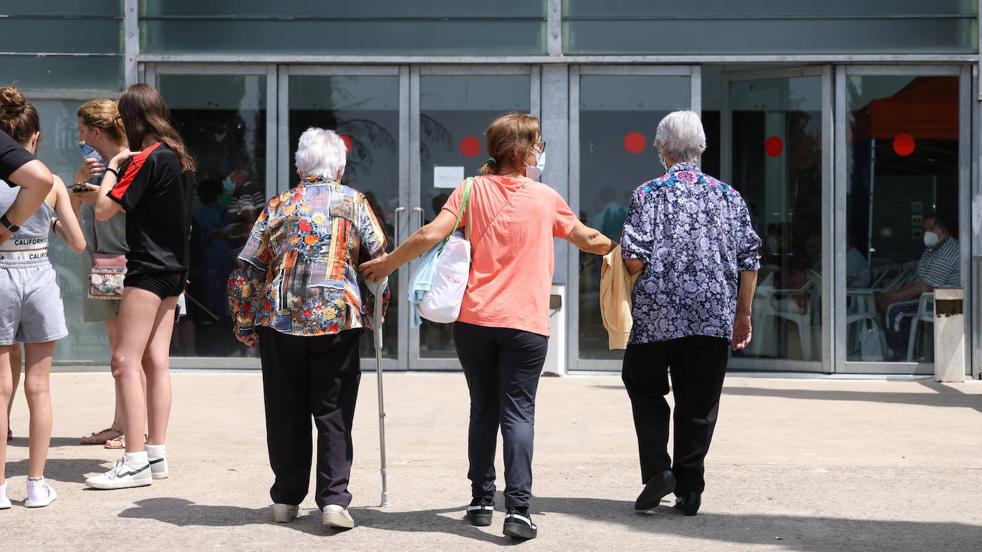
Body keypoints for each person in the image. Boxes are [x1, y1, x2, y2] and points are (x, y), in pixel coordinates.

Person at [361, 113, 612, 540]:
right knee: (518, 413)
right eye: (536, 146)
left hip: (475, 322)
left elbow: (428, 234)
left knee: (483, 409)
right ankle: (517, 510)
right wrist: (622, 250)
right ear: (519, 152)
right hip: (525, 324)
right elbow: (588, 239)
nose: (539, 154)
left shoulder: (469, 190)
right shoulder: (545, 197)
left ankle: (480, 501)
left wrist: (386, 264)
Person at [227, 128, 389, 530]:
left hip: (280, 319)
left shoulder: (279, 205)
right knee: (333, 410)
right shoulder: (355, 203)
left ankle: (285, 498)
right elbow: (379, 264)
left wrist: (244, 320)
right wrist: (375, 311)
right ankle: (334, 500)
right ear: (340, 166)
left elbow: (247, 267)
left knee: (285, 410)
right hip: (336, 318)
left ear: (300, 166)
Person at [620, 111, 760, 516]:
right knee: (698, 404)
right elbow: (749, 259)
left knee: (644, 388)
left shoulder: (647, 194)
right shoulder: (728, 196)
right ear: (701, 147)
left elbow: (633, 259)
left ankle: (658, 472)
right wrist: (743, 314)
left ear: (662, 148)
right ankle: (690, 489)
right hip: (711, 318)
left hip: (654, 318)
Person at [84, 84, 195, 490]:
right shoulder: (180, 158)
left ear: (131, 118)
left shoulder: (143, 159)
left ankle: (133, 460)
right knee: (156, 361)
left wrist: (114, 162)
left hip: (147, 270)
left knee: (124, 361)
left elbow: (102, 209)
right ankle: (155, 454)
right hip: (174, 272)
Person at [0, 87, 87, 509]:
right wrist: (51, 221)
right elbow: (78, 244)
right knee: (40, 387)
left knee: (0, 390)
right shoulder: (50, 182)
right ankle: (35, 484)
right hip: (37, 275)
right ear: (35, 136)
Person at [71, 98, 145, 449]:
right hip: (103, 264)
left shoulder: (132, 162)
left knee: (131, 352)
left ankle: (135, 429)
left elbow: (109, 208)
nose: (80, 137)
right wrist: (77, 183)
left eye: (83, 130)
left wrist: (93, 191)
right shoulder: (97, 166)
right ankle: (121, 424)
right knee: (118, 350)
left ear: (97, 131)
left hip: (128, 263)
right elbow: (72, 214)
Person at [876, 213, 959, 359]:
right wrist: (894, 293)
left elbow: (924, 287)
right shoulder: (931, 250)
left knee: (895, 310)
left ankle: (900, 358)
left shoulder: (949, 251)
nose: (928, 233)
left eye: (932, 228)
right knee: (888, 303)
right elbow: (917, 281)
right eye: (925, 229)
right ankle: (908, 353)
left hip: (945, 302)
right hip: (927, 297)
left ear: (944, 230)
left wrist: (893, 298)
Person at [223, 168, 265, 259]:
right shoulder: (250, 189)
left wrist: (227, 231)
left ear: (238, 177)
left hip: (243, 247)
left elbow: (250, 218)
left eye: (229, 178)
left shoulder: (244, 192)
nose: (226, 181)